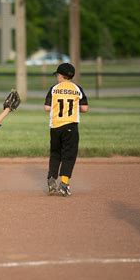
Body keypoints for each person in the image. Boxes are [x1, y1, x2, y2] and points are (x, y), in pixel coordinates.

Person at [44, 63, 88, 196]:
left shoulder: (54, 89)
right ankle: (64, 184)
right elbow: (85, 108)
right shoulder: (77, 88)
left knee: (55, 153)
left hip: (55, 126)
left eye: (57, 74)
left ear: (61, 76)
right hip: (71, 126)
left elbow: (46, 108)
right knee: (68, 155)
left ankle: (52, 180)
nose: (57, 77)